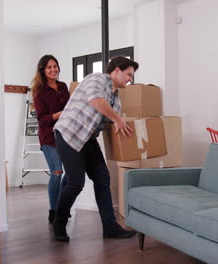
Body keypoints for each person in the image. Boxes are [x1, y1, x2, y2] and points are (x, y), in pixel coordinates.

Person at [52, 56, 139, 242]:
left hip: (88, 139)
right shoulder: (97, 78)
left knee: (102, 178)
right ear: (116, 70)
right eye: (128, 74)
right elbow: (94, 100)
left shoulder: (116, 99)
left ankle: (110, 227)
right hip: (69, 133)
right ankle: (59, 222)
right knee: (76, 181)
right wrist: (117, 119)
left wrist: (121, 125)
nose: (130, 79)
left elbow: (111, 121)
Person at [32, 55, 68, 224]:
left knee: (72, 173)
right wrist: (58, 115)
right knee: (57, 171)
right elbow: (42, 119)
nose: (53, 70)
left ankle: (62, 207)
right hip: (49, 138)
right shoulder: (40, 92)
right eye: (49, 67)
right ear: (43, 71)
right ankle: (53, 211)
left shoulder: (63, 87)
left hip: (65, 135)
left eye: (55, 66)